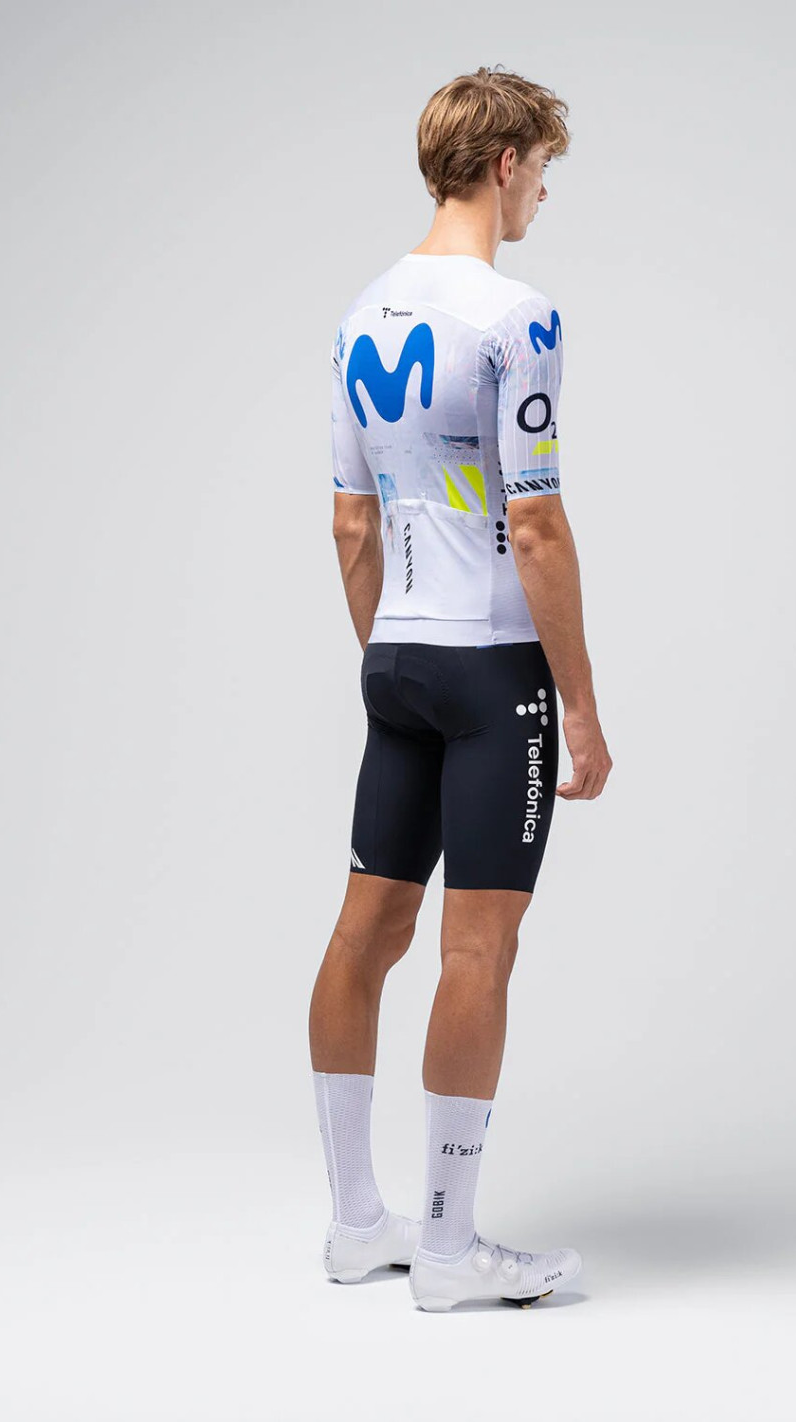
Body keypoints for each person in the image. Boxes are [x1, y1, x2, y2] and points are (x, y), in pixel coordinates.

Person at [308, 66, 612, 1313]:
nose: (542, 191)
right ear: (502, 165)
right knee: (477, 950)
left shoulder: (357, 316)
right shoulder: (516, 317)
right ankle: (445, 1250)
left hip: (395, 659)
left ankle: (354, 1227)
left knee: (361, 936)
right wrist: (577, 706)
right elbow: (533, 525)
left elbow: (349, 525)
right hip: (493, 674)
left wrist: (392, 660)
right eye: (540, 169)